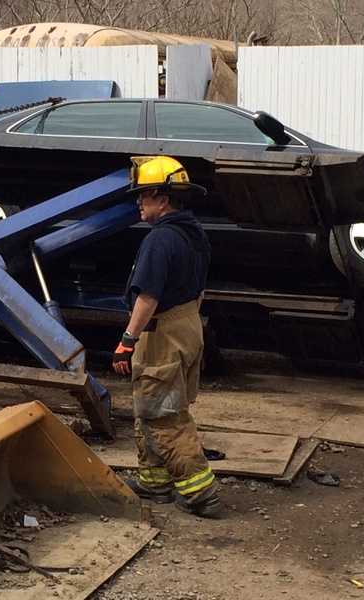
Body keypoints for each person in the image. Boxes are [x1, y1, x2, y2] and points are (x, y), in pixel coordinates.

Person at [113, 155, 220, 519]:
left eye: (143, 195)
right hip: (188, 325)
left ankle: (201, 491)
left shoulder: (159, 240)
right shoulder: (194, 234)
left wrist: (128, 340)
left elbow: (147, 297)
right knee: (152, 406)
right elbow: (199, 289)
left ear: (162, 197)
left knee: (163, 414)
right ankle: (154, 481)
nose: (138, 202)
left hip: (162, 333)